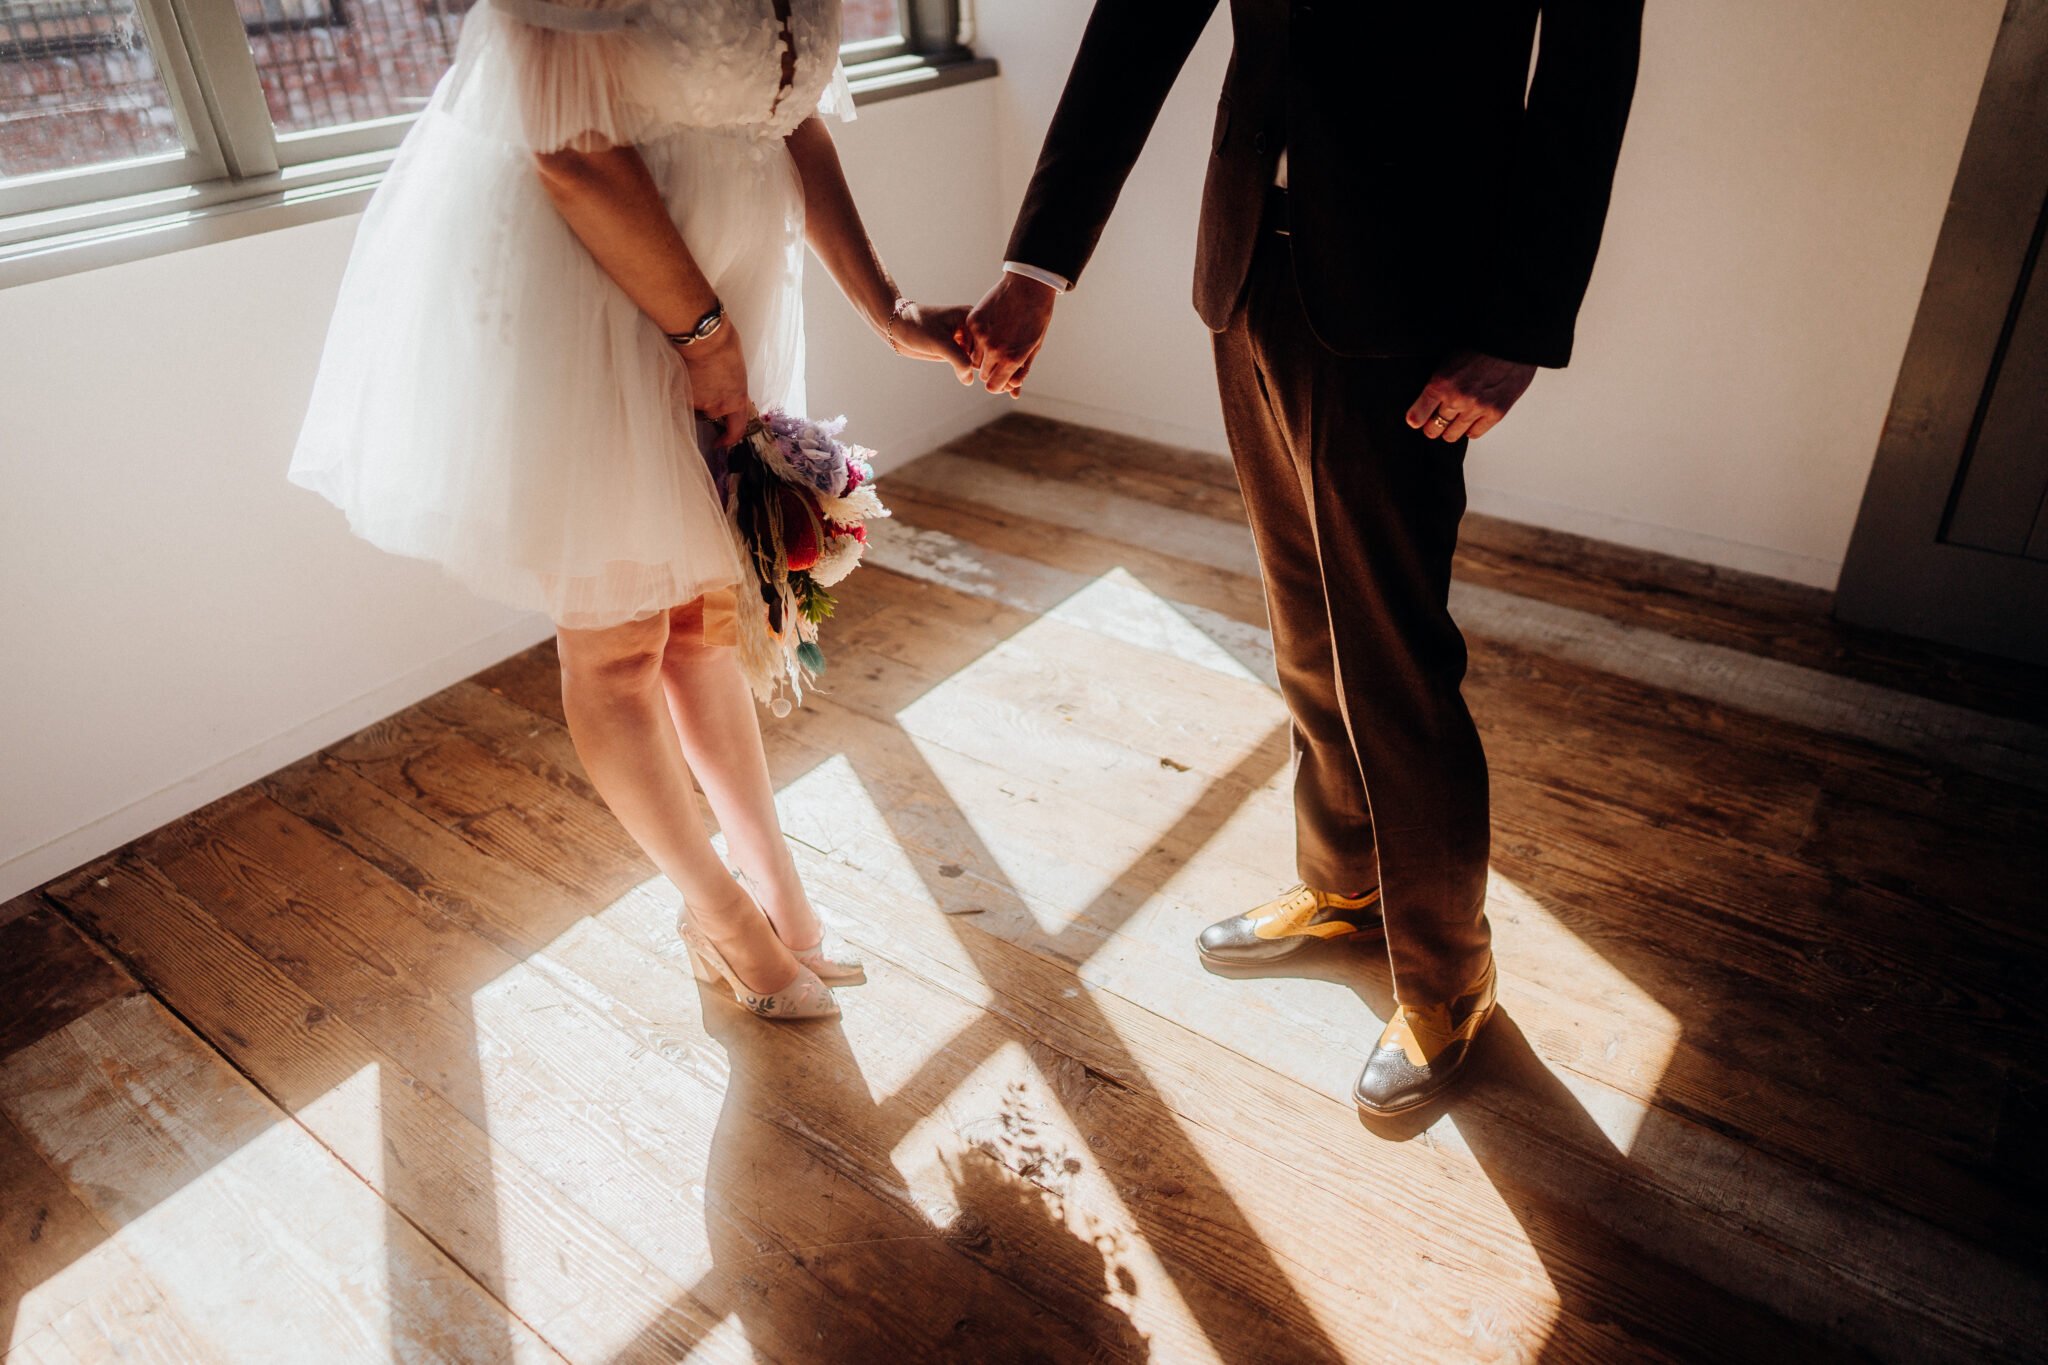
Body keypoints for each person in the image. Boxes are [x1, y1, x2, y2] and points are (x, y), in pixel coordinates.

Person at [965, 0, 1642, 1114]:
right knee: (1303, 624)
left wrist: (1518, 330)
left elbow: (1586, 80)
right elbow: (1137, 27)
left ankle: (1447, 978)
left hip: (1412, 285)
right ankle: (1344, 887)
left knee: (1394, 659)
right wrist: (1039, 265)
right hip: (1247, 265)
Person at [291, 0, 974, 1021]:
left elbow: (790, 115)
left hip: (729, 288)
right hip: (592, 288)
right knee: (617, 648)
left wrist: (891, 311)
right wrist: (706, 340)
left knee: (703, 625)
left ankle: (777, 892)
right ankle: (722, 917)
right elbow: (567, 149)